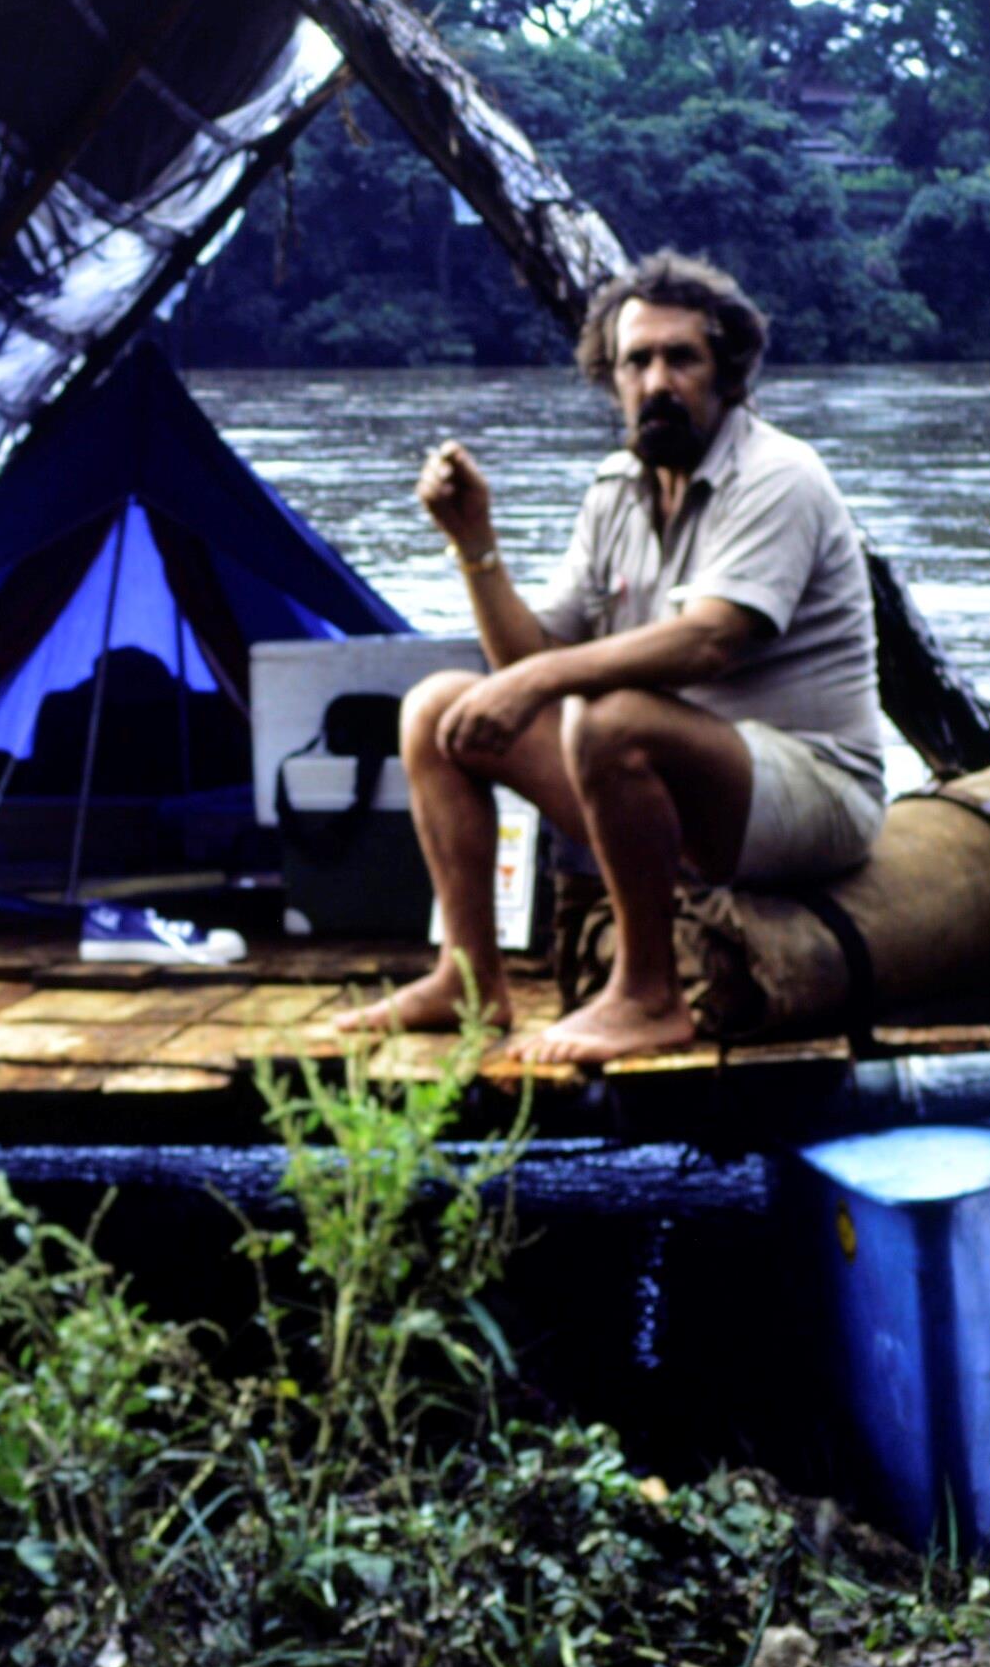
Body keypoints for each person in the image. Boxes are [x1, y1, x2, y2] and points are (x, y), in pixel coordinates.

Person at [334, 251, 884, 1065]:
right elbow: (531, 656)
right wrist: (474, 543)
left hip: (815, 795)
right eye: (637, 361)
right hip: (676, 790)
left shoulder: (779, 475)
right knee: (436, 714)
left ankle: (648, 996)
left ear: (728, 373)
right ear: (612, 375)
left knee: (607, 717)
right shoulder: (617, 488)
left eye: (681, 358)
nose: (657, 381)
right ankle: (467, 979)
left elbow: (711, 638)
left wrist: (540, 679)